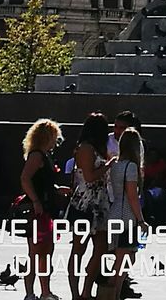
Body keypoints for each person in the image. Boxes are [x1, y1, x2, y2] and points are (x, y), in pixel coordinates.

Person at [65, 113, 112, 300]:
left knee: (101, 248)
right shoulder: (85, 148)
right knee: (79, 248)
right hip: (84, 203)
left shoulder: (99, 149)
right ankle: (76, 293)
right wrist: (108, 166)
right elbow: (89, 176)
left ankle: (87, 290)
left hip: (99, 203)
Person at [21, 118, 69, 300]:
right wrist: (35, 201)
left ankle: (44, 292)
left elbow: (41, 182)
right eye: (54, 137)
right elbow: (25, 178)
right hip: (38, 210)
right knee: (37, 252)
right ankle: (32, 293)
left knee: (45, 252)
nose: (56, 141)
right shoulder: (37, 156)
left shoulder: (44, 155)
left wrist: (57, 190)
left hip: (46, 208)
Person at [104, 128, 147, 300]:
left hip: (114, 211)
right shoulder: (131, 167)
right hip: (126, 216)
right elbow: (132, 196)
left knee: (121, 259)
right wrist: (141, 220)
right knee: (123, 261)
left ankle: (113, 292)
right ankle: (112, 294)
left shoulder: (116, 165)